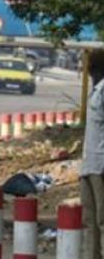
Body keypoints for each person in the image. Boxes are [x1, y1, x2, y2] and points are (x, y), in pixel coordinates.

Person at [81, 50, 104, 259]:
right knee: (90, 221)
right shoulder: (95, 90)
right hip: (89, 164)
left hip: (101, 165)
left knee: (102, 220)